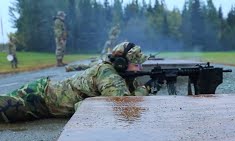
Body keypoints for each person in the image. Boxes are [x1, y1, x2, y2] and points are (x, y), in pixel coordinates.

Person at [0, 42, 157, 123]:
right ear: (121, 64)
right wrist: (146, 88)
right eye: (136, 64)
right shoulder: (109, 75)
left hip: (45, 102)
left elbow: (126, 94)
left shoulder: (119, 74)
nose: (140, 68)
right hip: (38, 98)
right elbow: (124, 106)